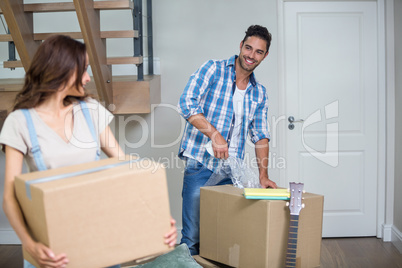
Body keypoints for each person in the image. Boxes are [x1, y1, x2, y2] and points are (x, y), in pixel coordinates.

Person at [0, 35, 177, 268]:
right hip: (52, 249)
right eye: (83, 70)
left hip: (97, 237)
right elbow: (11, 195)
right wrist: (30, 245)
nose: (88, 78)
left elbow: (127, 169)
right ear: (62, 71)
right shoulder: (20, 121)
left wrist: (157, 218)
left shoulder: (90, 110)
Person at [177, 25, 278, 255]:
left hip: (232, 171)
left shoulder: (259, 92)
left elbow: (260, 135)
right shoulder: (213, 69)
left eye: (258, 52)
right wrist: (214, 134)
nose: (251, 55)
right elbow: (186, 102)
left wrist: (263, 176)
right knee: (192, 238)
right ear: (240, 46)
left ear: (265, 56)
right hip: (200, 164)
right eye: (248, 48)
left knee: (224, 236)